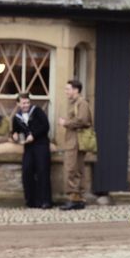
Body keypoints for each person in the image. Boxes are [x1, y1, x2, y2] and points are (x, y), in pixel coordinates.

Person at [12, 93, 52, 209]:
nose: (26, 105)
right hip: (28, 147)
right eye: (23, 103)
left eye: (28, 102)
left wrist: (33, 135)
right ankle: (31, 201)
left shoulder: (37, 111)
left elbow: (45, 126)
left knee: (42, 172)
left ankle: (46, 201)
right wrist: (14, 135)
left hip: (41, 145)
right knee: (27, 172)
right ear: (18, 103)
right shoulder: (17, 117)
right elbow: (15, 130)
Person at [58, 79, 92, 210]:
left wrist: (65, 123)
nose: (66, 91)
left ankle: (75, 199)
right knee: (74, 169)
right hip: (72, 141)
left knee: (72, 169)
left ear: (76, 90)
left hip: (76, 142)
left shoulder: (82, 103)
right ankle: (76, 198)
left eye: (68, 89)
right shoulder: (74, 103)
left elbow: (83, 120)